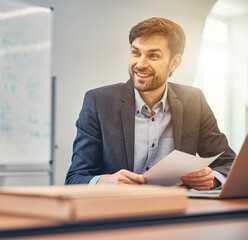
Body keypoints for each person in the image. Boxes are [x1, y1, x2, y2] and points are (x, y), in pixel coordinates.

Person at [65, 17, 236, 191]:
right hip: (118, 211)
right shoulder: (99, 102)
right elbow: (75, 177)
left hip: (178, 211)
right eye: (136, 52)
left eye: (153, 55)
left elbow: (228, 162)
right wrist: (105, 182)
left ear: (175, 63)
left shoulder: (194, 101)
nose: (140, 64)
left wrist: (213, 179)